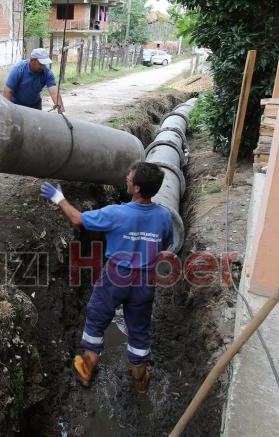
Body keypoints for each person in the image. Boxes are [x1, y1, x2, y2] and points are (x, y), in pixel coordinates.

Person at [40, 162, 173, 393]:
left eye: (129, 178)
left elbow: (78, 220)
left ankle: (87, 372)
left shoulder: (115, 213)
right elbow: (166, 243)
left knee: (96, 320)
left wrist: (58, 198)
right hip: (144, 281)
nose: (127, 180)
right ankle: (140, 383)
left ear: (138, 188)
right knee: (139, 330)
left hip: (115, 276)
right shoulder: (164, 216)